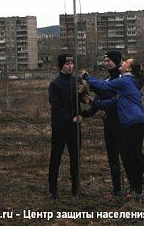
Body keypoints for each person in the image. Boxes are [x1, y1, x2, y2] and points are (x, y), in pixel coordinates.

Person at [82, 58, 144, 202]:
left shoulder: (125, 81)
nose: (123, 63)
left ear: (129, 69)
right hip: (133, 123)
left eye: (126, 62)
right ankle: (138, 191)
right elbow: (113, 102)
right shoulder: (128, 84)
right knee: (133, 157)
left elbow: (103, 86)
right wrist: (93, 101)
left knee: (136, 156)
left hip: (133, 123)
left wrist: (86, 77)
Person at [81, 50, 128, 198]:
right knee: (112, 157)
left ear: (117, 61)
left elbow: (112, 101)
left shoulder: (122, 79)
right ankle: (117, 189)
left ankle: (134, 188)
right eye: (105, 61)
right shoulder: (107, 80)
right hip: (109, 123)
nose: (106, 63)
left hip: (122, 123)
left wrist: (91, 86)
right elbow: (99, 98)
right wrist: (85, 111)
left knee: (127, 156)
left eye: (109, 61)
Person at [48, 54, 82, 200]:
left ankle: (76, 189)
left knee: (76, 158)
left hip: (75, 128)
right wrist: (71, 118)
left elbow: (83, 99)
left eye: (72, 63)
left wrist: (88, 106)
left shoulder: (77, 81)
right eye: (67, 64)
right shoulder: (55, 84)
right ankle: (52, 190)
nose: (70, 66)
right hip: (60, 127)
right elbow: (56, 107)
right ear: (61, 66)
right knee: (56, 157)